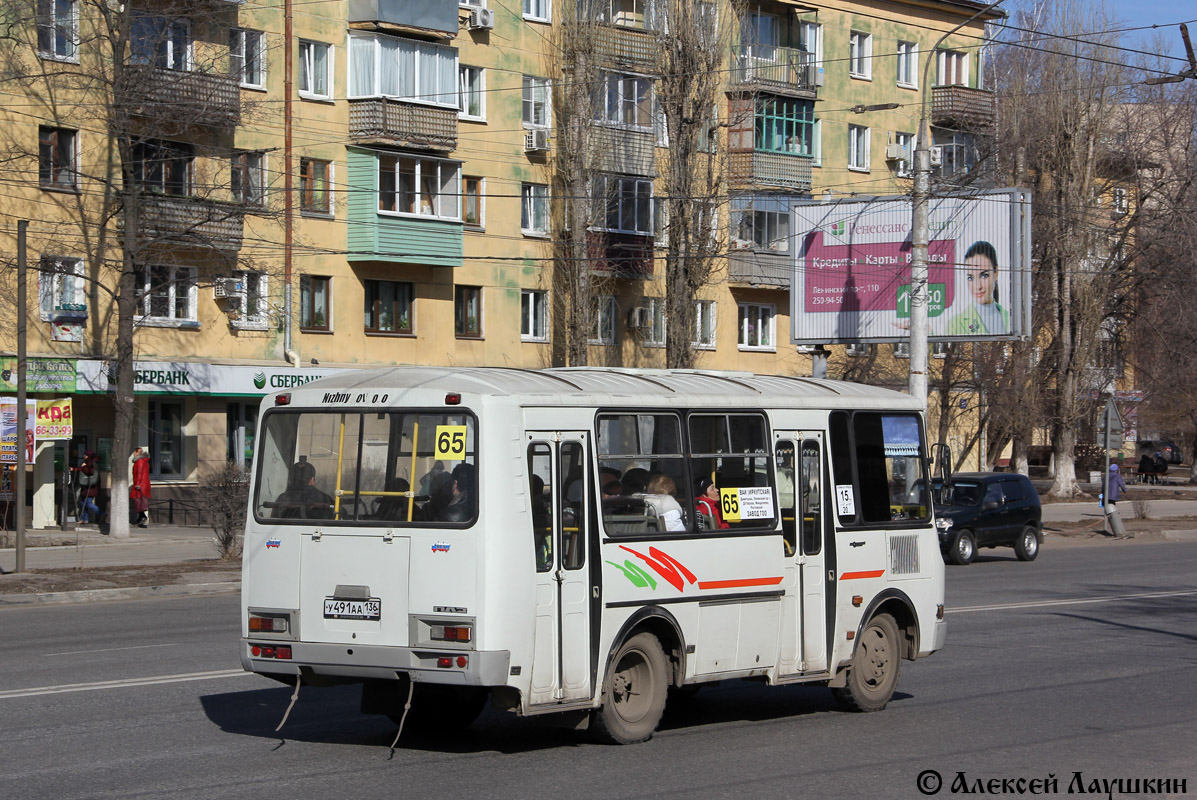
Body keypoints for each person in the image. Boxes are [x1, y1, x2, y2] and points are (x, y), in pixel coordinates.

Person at [946, 241, 1010, 336]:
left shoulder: (1010, 319)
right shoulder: (955, 324)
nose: (978, 286)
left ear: (996, 272)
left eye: (984, 275)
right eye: (970, 278)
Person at [77, 450, 101, 525]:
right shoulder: (91, 462)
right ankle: (85, 519)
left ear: (87, 456)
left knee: (88, 503)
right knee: (82, 502)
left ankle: (101, 513)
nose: (84, 456)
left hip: (90, 487)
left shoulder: (90, 462)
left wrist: (84, 466)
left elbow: (89, 472)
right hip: (88, 487)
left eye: (85, 455)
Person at [130, 447, 152, 527]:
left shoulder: (139, 461)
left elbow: (139, 473)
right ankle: (140, 518)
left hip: (140, 485)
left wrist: (138, 484)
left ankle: (143, 517)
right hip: (143, 484)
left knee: (138, 501)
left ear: (137, 453)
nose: (133, 454)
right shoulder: (143, 461)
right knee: (139, 502)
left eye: (134, 453)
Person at [1104, 463, 1127, 537]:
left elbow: (1103, 485)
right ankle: (1113, 516)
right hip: (1113, 493)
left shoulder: (1106, 476)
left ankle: (1108, 514)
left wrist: (1102, 492)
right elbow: (1121, 484)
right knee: (1113, 505)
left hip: (1106, 493)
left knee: (1108, 504)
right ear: (1116, 470)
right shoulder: (1117, 476)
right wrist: (1124, 490)